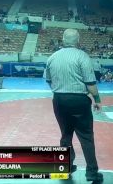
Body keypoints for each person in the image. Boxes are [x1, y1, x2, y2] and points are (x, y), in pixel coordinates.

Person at [44, 29, 103, 182]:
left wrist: (59, 91)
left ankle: (66, 167)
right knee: (86, 137)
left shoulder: (52, 57)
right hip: (78, 101)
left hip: (59, 100)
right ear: (78, 40)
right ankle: (92, 172)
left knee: (65, 135)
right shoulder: (82, 56)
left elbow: (48, 80)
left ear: (63, 39)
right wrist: (97, 99)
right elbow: (90, 84)